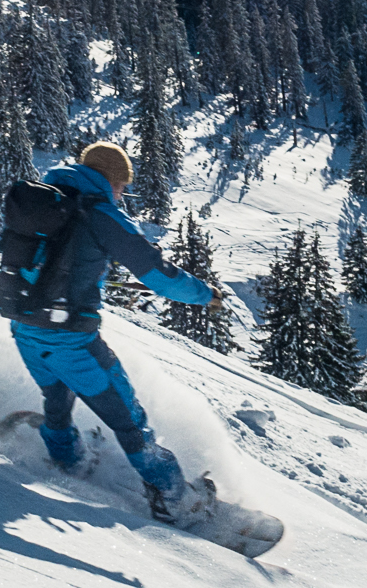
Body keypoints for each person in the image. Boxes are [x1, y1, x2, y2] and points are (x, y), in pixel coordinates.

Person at [13, 141, 215, 520]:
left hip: (25, 331)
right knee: (129, 420)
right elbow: (159, 275)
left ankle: (65, 459)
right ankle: (177, 500)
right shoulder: (101, 213)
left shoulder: (45, 199)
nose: (122, 194)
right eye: (122, 185)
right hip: (72, 342)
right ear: (111, 180)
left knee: (56, 401)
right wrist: (206, 295)